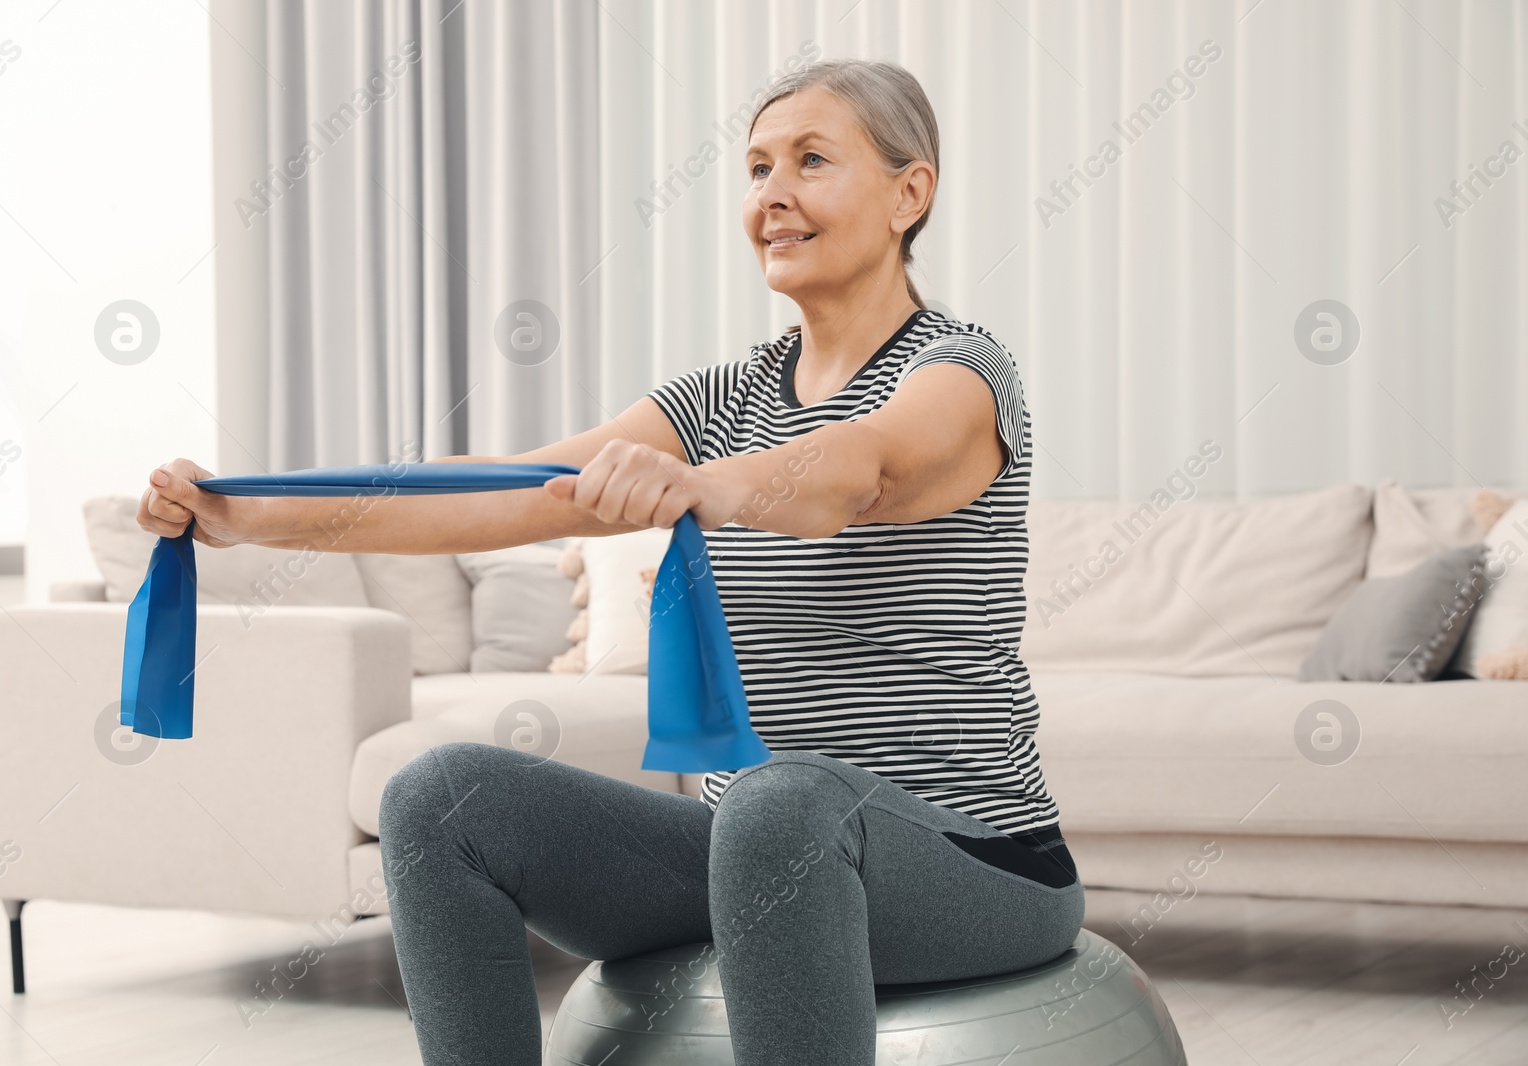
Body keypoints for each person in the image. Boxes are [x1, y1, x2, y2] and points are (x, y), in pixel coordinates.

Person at [138, 57, 1083, 1066]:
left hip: (974, 864)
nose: (772, 195)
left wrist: (706, 487)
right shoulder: (720, 397)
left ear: (911, 191)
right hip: (760, 853)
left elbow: (867, 469)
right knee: (439, 797)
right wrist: (241, 515)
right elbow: (504, 490)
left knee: (775, 800)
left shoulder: (961, 372)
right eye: (758, 168)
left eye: (812, 161)